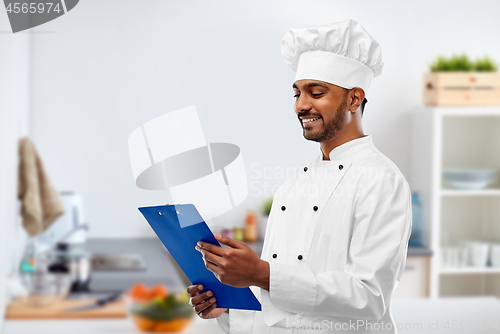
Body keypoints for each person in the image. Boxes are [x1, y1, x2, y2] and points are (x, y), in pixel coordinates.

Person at [187, 19, 412, 334]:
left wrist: (261, 273)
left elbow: (370, 298)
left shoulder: (380, 179)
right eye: (297, 94)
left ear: (354, 99)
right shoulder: (294, 184)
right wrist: (228, 305)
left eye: (316, 92)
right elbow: (280, 303)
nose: (301, 106)